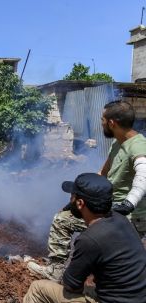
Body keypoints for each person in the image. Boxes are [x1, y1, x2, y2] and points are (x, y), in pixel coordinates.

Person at [13, 173, 146, 303]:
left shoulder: (89, 239)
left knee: (39, 289)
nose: (70, 201)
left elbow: (71, 285)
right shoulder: (121, 220)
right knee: (79, 291)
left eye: (72, 197)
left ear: (80, 203)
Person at [29, 100, 146, 281]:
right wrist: (75, 200)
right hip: (111, 210)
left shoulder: (138, 145)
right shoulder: (119, 144)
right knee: (67, 215)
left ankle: (56, 273)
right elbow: (102, 174)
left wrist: (129, 203)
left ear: (112, 123)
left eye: (102, 119)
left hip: (127, 218)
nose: (101, 123)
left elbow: (143, 175)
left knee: (62, 221)